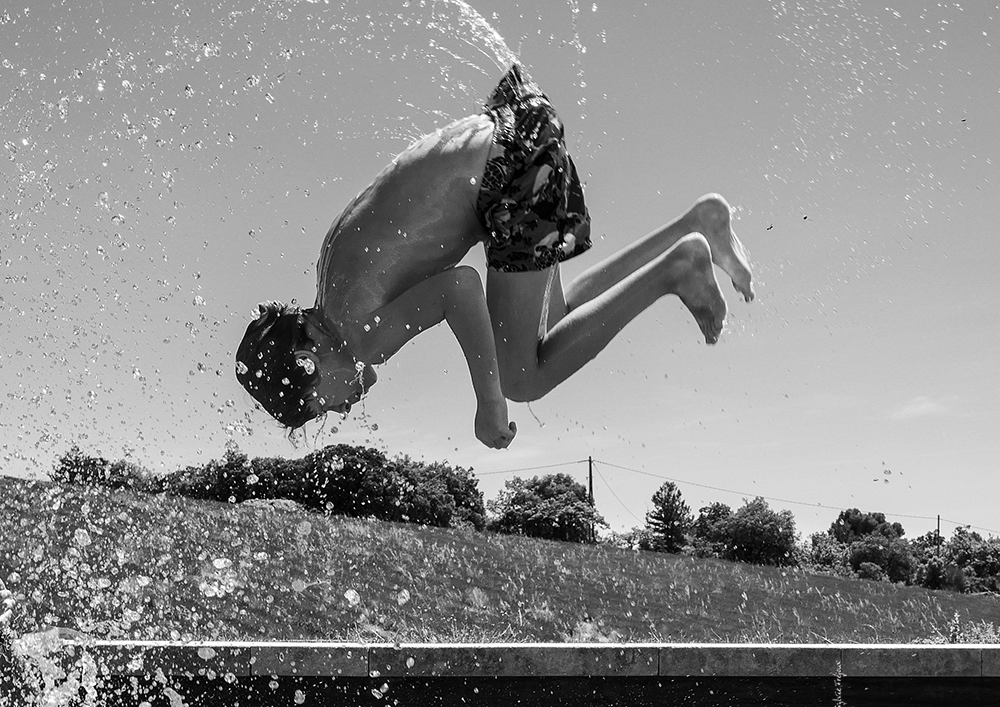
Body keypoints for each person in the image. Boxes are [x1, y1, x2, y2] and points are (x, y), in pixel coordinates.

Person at [236, 64, 753, 448]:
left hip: (508, 172)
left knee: (520, 378)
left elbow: (459, 288)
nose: (342, 407)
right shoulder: (332, 280)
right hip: (514, 129)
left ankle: (679, 267)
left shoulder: (354, 335)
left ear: (309, 359)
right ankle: (694, 225)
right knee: (554, 325)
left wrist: (489, 403)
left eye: (320, 406)